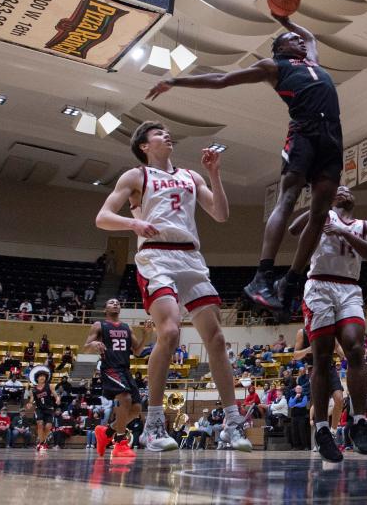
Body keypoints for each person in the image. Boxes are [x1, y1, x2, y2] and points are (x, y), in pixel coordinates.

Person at [147, 11, 341, 314]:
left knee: (320, 212)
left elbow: (312, 37)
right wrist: (175, 80)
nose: (301, 42)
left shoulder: (312, 59)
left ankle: (290, 281)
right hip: (304, 132)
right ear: (279, 48)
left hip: (332, 135)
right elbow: (222, 80)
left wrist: (286, 20)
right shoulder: (273, 66)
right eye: (293, 39)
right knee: (288, 197)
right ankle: (262, 275)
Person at [95, 122, 252, 452]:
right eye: (158, 133)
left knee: (218, 339)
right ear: (144, 146)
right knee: (168, 333)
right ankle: (152, 425)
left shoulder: (191, 176)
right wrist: (134, 222)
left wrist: (215, 174)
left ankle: (232, 423)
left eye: (167, 132)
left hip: (191, 259)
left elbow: (221, 214)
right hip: (157, 257)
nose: (166, 135)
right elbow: (103, 216)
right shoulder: (136, 176)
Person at [288, 184, 367, 461]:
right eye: (339, 189)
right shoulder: (322, 215)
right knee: (323, 357)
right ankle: (321, 430)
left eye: (348, 190)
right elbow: (294, 229)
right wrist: (319, 205)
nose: (345, 191)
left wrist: (342, 232)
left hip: (349, 288)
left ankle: (359, 421)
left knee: (355, 350)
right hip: (319, 286)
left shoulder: (365, 225)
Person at [84, 298, 151, 459]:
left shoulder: (127, 327)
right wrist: (93, 344)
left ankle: (106, 432)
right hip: (110, 368)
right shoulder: (99, 325)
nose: (115, 304)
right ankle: (120, 442)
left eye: (117, 303)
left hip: (125, 369)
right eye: (111, 303)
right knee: (125, 398)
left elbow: (137, 351)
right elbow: (86, 348)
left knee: (136, 410)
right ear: (105, 309)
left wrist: (146, 336)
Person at [30, 371, 59, 451]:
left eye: (44, 376)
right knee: (40, 424)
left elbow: (56, 395)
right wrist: (29, 403)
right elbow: (31, 400)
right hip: (39, 409)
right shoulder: (34, 390)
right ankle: (41, 443)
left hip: (49, 409)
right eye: (40, 376)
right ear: (37, 378)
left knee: (48, 427)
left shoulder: (49, 386)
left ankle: (42, 442)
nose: (42, 377)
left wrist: (58, 399)